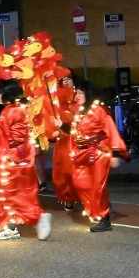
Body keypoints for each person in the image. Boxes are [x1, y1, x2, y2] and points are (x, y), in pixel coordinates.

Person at [0, 81, 52, 241]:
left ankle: (37, 217)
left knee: (9, 194)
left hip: (11, 159)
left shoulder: (8, 112)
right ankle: (12, 226)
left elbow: (4, 134)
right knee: (20, 192)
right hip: (22, 157)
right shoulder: (20, 109)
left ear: (6, 95)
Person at [68, 78, 130, 233]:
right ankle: (99, 208)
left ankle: (104, 218)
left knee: (98, 187)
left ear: (87, 94)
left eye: (80, 92)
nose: (76, 95)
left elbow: (111, 130)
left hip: (98, 154)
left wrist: (115, 154)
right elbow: (76, 133)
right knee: (80, 183)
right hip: (83, 154)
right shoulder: (80, 111)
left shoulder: (99, 111)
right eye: (76, 92)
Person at [51, 75, 78, 211]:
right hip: (64, 140)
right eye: (63, 80)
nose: (66, 81)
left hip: (78, 139)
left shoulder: (79, 97)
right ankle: (68, 198)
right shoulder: (59, 102)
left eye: (68, 78)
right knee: (64, 171)